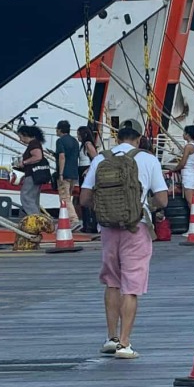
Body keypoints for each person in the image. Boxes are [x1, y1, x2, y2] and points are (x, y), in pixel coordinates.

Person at [79, 126, 168, 360]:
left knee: (112, 281)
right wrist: (146, 207)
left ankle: (111, 338)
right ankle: (125, 344)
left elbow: (85, 198)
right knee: (132, 285)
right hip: (135, 226)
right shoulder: (148, 160)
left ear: (117, 138)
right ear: (139, 139)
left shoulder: (101, 158)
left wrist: (108, 208)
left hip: (108, 227)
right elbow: (163, 198)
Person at [13, 125, 47, 217]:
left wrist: (24, 162)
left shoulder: (33, 144)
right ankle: (37, 217)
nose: (20, 140)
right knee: (33, 198)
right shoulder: (36, 143)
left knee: (26, 196)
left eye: (20, 137)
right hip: (36, 175)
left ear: (25, 135)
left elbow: (38, 156)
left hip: (32, 175)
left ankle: (34, 217)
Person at [55, 120, 82, 227]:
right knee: (68, 196)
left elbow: (62, 156)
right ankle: (67, 219)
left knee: (64, 197)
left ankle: (73, 219)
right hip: (74, 172)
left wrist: (60, 173)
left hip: (65, 173)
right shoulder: (75, 141)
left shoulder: (60, 141)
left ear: (60, 130)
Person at [175, 126, 194, 227]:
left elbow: (183, 162)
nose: (183, 135)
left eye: (184, 133)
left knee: (190, 202)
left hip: (187, 174)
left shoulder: (188, 147)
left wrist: (174, 169)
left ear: (187, 134)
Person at [77, 125, 100, 233]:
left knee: (87, 197)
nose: (78, 137)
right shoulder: (83, 145)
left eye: (79, 134)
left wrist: (89, 170)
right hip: (82, 170)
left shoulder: (87, 144)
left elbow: (96, 158)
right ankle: (87, 223)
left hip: (86, 170)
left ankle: (90, 224)